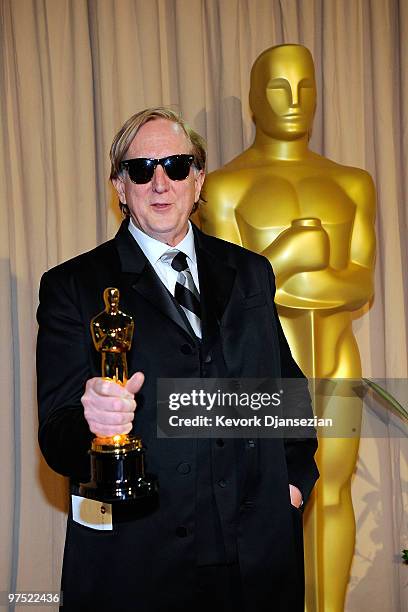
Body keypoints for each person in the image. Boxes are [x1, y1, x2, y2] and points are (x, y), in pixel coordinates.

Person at [37, 106, 319, 612]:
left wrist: (295, 483)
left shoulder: (251, 273)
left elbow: (285, 390)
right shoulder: (72, 287)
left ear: (199, 176)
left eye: (176, 165)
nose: (160, 182)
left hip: (253, 562)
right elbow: (58, 435)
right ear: (120, 187)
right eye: (141, 169)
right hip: (136, 563)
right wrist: (92, 424)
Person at [201, 44, 376, 611]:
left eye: (305, 86)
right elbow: (225, 299)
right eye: (278, 87)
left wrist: (278, 271)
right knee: (264, 503)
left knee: (333, 495)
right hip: (261, 373)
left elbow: (359, 284)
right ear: (254, 100)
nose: (295, 100)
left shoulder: (352, 182)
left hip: (337, 361)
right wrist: (296, 252)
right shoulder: (225, 187)